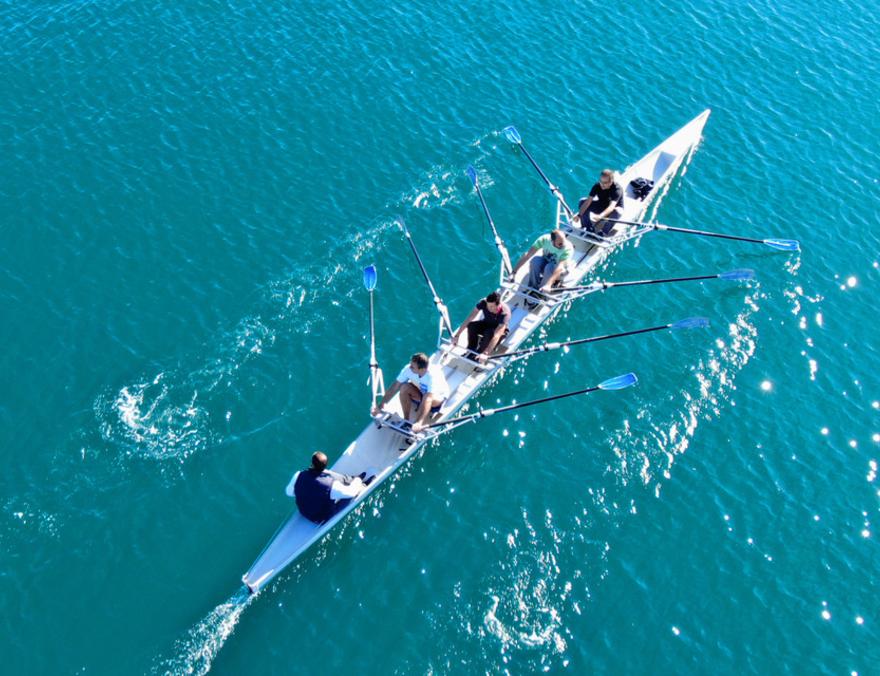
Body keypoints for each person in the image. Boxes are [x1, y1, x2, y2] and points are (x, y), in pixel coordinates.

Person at [286, 451, 373, 524]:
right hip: (319, 518)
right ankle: (363, 485)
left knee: (331, 475)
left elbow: (289, 492)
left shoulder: (298, 475)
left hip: (303, 511)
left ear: (312, 462)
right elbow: (351, 492)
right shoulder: (332, 485)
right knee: (350, 494)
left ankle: (351, 479)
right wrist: (358, 480)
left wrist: (308, 491)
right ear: (325, 466)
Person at [371, 352, 450, 433]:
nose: (409, 367)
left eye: (412, 367)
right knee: (404, 387)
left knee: (426, 397)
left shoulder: (432, 376)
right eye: (410, 364)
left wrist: (419, 423)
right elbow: (395, 386)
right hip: (422, 393)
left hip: (437, 399)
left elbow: (428, 399)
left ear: (422, 369)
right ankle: (406, 420)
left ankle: (416, 424)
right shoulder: (408, 369)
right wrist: (380, 406)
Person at [510, 228, 574, 295]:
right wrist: (513, 272)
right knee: (535, 261)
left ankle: (542, 292)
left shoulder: (567, 249)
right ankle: (533, 288)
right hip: (547, 263)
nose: (563, 245)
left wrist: (548, 285)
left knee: (549, 267)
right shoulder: (544, 240)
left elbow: (560, 268)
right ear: (552, 241)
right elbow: (528, 255)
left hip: (561, 271)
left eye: (564, 242)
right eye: (560, 244)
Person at [452, 291, 511, 362]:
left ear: (498, 305)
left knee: (488, 333)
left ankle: (479, 354)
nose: (489, 308)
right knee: (471, 325)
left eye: (491, 306)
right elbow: (470, 318)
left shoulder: (505, 313)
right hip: (487, 323)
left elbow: (497, 335)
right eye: (488, 305)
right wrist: (457, 335)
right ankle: (471, 350)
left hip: (498, 331)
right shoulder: (483, 302)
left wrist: (486, 353)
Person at [574, 168, 624, 236]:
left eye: (605, 183)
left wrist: (600, 216)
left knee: (618, 211)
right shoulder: (597, 186)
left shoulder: (617, 189)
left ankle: (603, 232)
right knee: (582, 201)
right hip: (602, 205)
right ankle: (587, 227)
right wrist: (579, 215)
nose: (602, 184)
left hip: (613, 211)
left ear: (611, 181)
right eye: (601, 181)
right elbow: (588, 202)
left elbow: (611, 207)